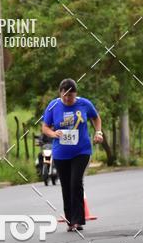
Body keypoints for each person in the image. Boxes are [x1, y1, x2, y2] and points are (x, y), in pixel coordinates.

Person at [42, 79, 103, 231]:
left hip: (81, 151)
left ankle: (78, 221)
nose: (68, 99)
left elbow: (96, 117)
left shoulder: (84, 104)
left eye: (71, 96)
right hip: (61, 153)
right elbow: (45, 127)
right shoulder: (54, 106)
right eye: (65, 96)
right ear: (60, 93)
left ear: (76, 94)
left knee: (76, 183)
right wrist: (53, 133)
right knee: (66, 185)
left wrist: (98, 132)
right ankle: (70, 220)